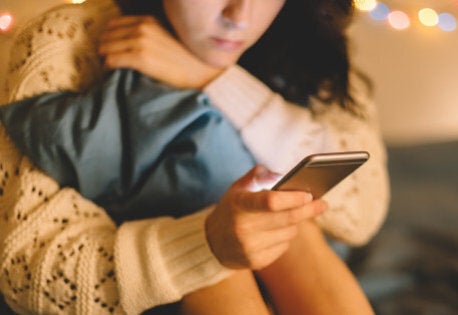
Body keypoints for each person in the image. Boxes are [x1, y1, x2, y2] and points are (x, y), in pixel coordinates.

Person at [0, 0, 389, 314]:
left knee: (286, 217)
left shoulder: (313, 41)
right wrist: (205, 244)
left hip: (294, 277)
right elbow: (24, 272)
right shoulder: (67, 39)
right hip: (147, 284)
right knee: (223, 258)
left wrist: (208, 77)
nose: (240, 16)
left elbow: (363, 212)